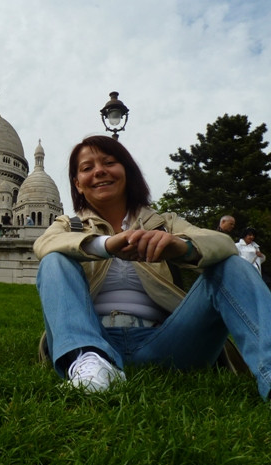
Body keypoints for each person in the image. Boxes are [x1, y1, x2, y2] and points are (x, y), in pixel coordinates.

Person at [34, 135, 271, 400]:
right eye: (87, 168)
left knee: (232, 265)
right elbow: (45, 244)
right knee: (54, 259)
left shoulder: (163, 222)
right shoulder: (69, 224)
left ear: (127, 171)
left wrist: (182, 246)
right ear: (78, 185)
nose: (99, 171)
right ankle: (89, 365)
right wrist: (106, 245)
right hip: (93, 337)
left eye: (109, 162)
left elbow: (222, 243)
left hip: (164, 340)